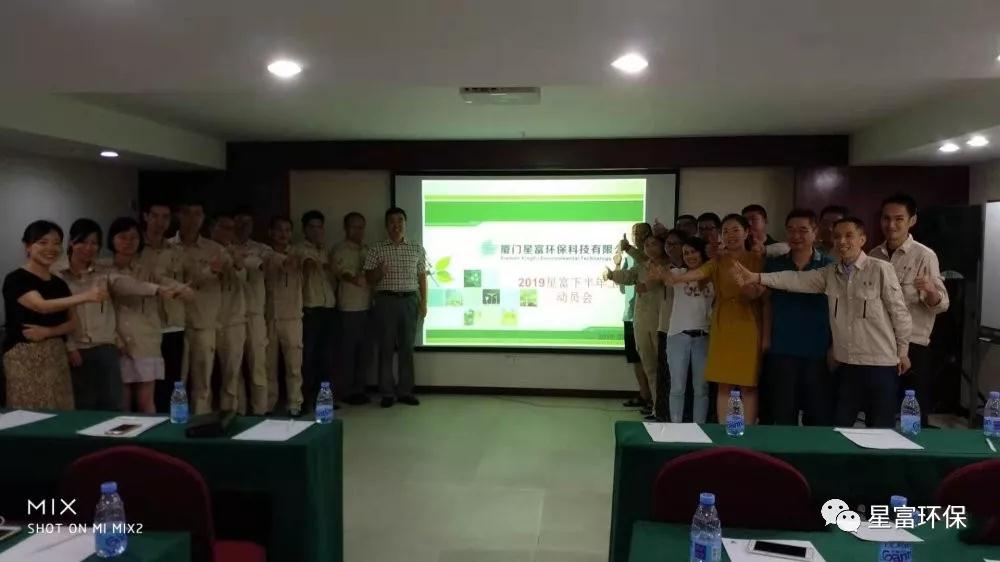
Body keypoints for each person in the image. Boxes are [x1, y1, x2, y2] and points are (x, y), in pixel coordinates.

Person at [734, 217, 913, 428]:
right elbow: (794, 279)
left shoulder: (880, 269)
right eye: (837, 236)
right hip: (847, 363)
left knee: (880, 428)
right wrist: (757, 277)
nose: (842, 241)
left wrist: (903, 351)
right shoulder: (830, 272)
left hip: (880, 363)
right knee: (839, 427)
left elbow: (900, 313)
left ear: (862, 239)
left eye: (849, 236)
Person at [655, 214, 765, 424]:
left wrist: (750, 289)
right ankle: (724, 432)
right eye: (726, 231)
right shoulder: (717, 261)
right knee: (723, 384)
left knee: (748, 385)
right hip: (721, 325)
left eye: (735, 230)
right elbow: (697, 273)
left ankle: (747, 433)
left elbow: (759, 293)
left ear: (746, 233)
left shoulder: (756, 259)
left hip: (748, 325)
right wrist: (675, 278)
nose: (730, 235)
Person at [56, 219, 168, 411]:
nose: (88, 248)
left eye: (94, 243)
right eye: (83, 242)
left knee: (113, 405)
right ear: (71, 242)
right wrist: (70, 346)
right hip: (77, 349)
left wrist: (157, 289)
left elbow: (125, 283)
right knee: (83, 405)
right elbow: (58, 314)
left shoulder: (103, 272)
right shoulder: (58, 274)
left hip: (106, 347)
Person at [3, 221, 107, 410]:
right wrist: (87, 296)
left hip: (56, 355)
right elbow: (41, 306)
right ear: (27, 246)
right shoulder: (16, 279)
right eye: (42, 242)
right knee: (29, 411)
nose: (51, 248)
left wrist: (48, 332)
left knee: (61, 409)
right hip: (23, 356)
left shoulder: (59, 283)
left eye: (56, 243)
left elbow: (73, 323)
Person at [870, 194, 949, 427]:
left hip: (914, 344)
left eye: (899, 219)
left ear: (912, 221)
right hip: (880, 343)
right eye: (886, 218)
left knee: (912, 415)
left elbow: (942, 304)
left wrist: (931, 290)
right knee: (880, 411)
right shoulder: (873, 255)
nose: (891, 225)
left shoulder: (924, 255)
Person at [760, 210, 835, 426]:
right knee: (784, 413)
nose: (796, 236)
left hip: (818, 349)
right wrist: (766, 338)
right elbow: (767, 303)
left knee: (818, 415)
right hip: (783, 346)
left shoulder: (829, 265)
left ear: (815, 232)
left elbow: (838, 310)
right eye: (791, 230)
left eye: (803, 230)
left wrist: (835, 346)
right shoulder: (775, 265)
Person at [107, 217, 189, 413]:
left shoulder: (147, 269)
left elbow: (166, 282)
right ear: (112, 240)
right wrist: (157, 289)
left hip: (145, 340)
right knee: (122, 403)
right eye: (122, 237)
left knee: (147, 403)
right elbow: (125, 285)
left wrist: (181, 289)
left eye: (133, 237)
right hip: (116, 341)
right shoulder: (103, 268)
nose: (128, 242)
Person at [363, 207, 427, 408]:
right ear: (386, 225)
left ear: (405, 224)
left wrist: (424, 303)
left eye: (400, 220)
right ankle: (387, 392)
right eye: (392, 221)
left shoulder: (417, 248)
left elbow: (422, 277)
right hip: (385, 301)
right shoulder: (376, 249)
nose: (396, 225)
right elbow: (368, 278)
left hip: (409, 301)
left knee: (407, 348)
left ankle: (405, 391)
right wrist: (379, 272)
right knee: (386, 348)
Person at [171, 202, 230, 414]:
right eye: (187, 213)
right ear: (179, 216)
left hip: (203, 323)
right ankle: (175, 421)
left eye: (197, 214)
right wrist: (205, 273)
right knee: (175, 382)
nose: (192, 219)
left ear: (203, 218)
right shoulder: (167, 247)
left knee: (203, 382)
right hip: (173, 324)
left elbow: (229, 278)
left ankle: (201, 421)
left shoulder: (215, 250)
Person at [606, 233, 670, 421]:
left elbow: (655, 280)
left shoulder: (668, 266)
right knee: (649, 367)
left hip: (661, 324)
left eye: (654, 244)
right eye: (647, 245)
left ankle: (666, 410)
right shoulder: (642, 266)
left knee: (663, 368)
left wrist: (629, 249)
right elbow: (628, 277)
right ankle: (657, 409)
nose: (649, 248)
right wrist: (611, 274)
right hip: (641, 321)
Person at [140, 202, 187, 413]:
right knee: (148, 383)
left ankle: (172, 421)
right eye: (155, 216)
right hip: (145, 325)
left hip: (173, 323)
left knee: (173, 381)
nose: (160, 222)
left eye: (165, 217)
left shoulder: (176, 250)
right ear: (146, 216)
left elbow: (193, 278)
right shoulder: (135, 247)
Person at [663, 236, 714, 423]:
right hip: (678, 336)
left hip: (704, 336)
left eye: (693, 252)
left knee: (701, 388)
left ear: (702, 252)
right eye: (686, 253)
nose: (690, 256)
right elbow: (665, 277)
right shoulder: (678, 272)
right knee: (677, 387)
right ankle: (676, 427)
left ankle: (699, 427)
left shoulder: (713, 275)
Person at [264, 216, 306, 415]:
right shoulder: (264, 253)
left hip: (292, 317)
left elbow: (301, 264)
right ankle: (268, 404)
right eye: (279, 230)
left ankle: (294, 404)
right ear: (271, 232)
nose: (283, 234)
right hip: (268, 317)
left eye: (287, 230)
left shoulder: (298, 253)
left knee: (294, 365)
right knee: (268, 366)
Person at [234, 207, 273, 415]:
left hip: (255, 313)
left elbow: (267, 264)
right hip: (231, 316)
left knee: (258, 364)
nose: (243, 227)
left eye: (247, 223)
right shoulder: (224, 248)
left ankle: (260, 411)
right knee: (234, 368)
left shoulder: (261, 248)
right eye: (239, 222)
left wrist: (246, 260)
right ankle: (238, 411)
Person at [332, 212, 373, 405]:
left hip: (367, 306)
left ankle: (359, 390)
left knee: (364, 352)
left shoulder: (367, 249)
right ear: (345, 228)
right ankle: (346, 391)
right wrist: (355, 278)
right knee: (347, 352)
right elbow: (342, 273)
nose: (358, 231)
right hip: (348, 308)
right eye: (354, 227)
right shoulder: (339, 250)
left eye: (361, 227)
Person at [298, 210, 338, 412]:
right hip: (310, 309)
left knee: (327, 358)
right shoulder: (299, 249)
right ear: (304, 229)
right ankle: (306, 400)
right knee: (308, 358)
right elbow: (306, 268)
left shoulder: (326, 250)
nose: (316, 231)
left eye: (319, 227)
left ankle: (325, 401)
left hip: (328, 308)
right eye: (312, 227)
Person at [209, 212, 249, 412]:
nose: (228, 232)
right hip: (206, 320)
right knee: (204, 375)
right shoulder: (204, 250)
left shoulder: (239, 252)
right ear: (212, 228)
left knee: (232, 371)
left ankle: (234, 413)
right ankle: (205, 414)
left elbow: (244, 280)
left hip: (233, 319)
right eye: (223, 227)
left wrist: (237, 262)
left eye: (231, 229)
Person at [614, 223, 653, 411]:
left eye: (643, 233)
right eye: (635, 234)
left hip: (648, 317)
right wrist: (617, 264)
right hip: (630, 315)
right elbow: (623, 288)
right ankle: (644, 395)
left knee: (651, 360)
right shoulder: (629, 258)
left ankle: (655, 400)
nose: (639, 237)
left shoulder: (651, 258)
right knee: (636, 359)